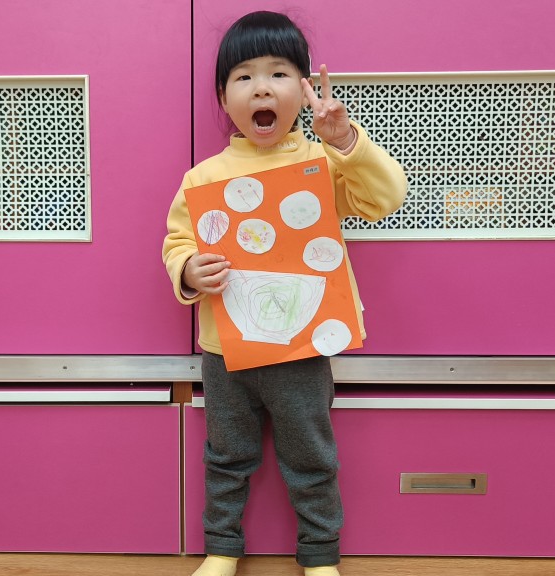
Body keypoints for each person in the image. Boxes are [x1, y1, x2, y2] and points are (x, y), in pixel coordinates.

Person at [162, 10, 408, 576]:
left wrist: (345, 139)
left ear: (304, 88)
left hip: (302, 345)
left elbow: (385, 197)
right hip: (227, 348)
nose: (262, 88)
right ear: (223, 97)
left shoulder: (322, 160)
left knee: (311, 455)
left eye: (278, 73)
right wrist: (189, 270)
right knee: (226, 456)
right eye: (243, 76)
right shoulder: (203, 177)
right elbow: (178, 241)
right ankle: (222, 549)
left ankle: (320, 555)